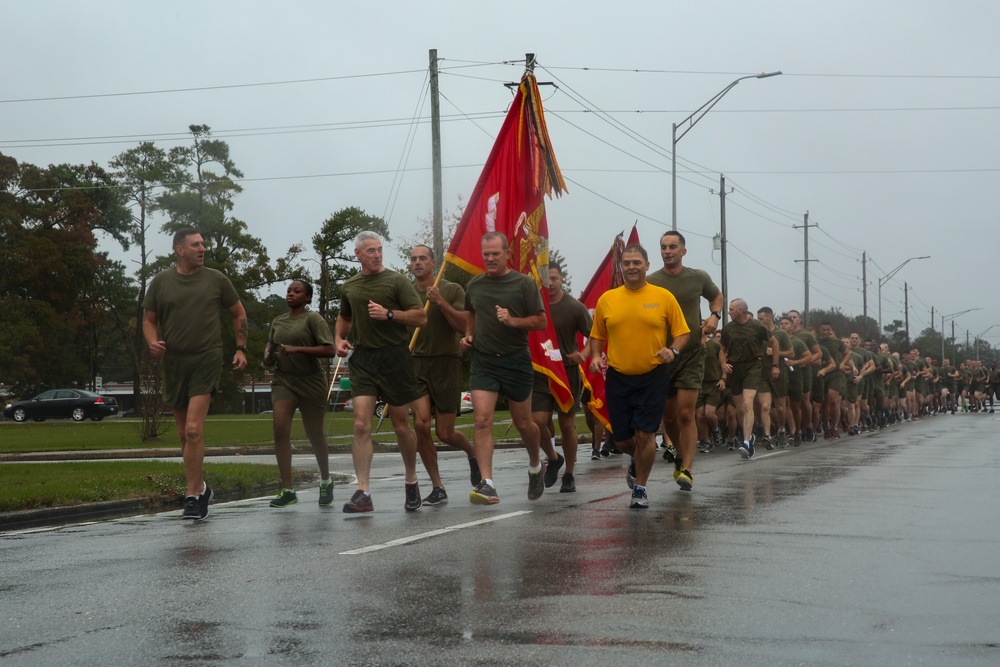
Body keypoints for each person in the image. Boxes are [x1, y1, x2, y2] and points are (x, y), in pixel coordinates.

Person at [143, 228, 248, 521]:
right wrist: (152, 341)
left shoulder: (216, 280)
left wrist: (241, 348)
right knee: (183, 434)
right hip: (174, 362)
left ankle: (191, 497)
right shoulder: (162, 282)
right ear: (179, 250)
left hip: (206, 357)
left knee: (192, 429)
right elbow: (149, 321)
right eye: (195, 245)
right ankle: (201, 486)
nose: (202, 248)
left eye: (203, 244)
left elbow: (239, 313)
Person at [587, 244, 690, 509]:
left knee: (645, 435)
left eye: (636, 262)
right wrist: (596, 356)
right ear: (621, 267)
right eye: (626, 263)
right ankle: (638, 458)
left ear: (646, 264)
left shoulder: (663, 296)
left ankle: (640, 489)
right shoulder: (607, 299)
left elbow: (683, 333)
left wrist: (673, 350)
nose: (631, 267)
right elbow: (597, 335)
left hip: (653, 376)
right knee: (622, 440)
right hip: (619, 377)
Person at [335, 231, 427, 513]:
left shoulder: (396, 281)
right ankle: (363, 491)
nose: (377, 255)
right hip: (363, 359)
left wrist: (389, 314)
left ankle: (411, 480)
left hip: (394, 357)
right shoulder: (349, 286)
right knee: (361, 424)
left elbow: (420, 317)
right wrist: (338, 339)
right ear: (357, 254)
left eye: (379, 250)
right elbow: (345, 317)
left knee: (400, 424)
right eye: (371, 251)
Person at [462, 232, 548, 505]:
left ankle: (536, 465)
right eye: (485, 254)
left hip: (515, 360)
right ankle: (487, 483)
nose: (489, 258)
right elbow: (471, 313)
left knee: (524, 424)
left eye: (495, 254)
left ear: (507, 254)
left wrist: (512, 321)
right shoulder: (474, 285)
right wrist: (468, 335)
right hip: (484, 361)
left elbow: (541, 321)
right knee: (482, 420)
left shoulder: (523, 284)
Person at [646, 231, 723, 491]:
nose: (668, 251)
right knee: (668, 420)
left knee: (685, 413)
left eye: (673, 247)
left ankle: (687, 468)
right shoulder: (651, 282)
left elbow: (716, 295)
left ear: (683, 251)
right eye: (663, 247)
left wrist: (715, 316)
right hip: (662, 356)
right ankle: (680, 454)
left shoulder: (698, 277)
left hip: (691, 353)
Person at [408, 244, 480, 506]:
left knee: (445, 433)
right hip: (416, 365)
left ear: (433, 262)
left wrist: (440, 301)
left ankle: (472, 454)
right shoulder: (405, 292)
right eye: (414, 259)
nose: (418, 263)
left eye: (423, 258)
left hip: (447, 364)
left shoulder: (451, 289)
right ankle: (438, 486)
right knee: (420, 425)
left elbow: (463, 326)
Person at [264, 279, 337, 508]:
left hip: (311, 382)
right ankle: (287, 489)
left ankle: (325, 480)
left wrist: (297, 349)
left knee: (315, 434)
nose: (291, 294)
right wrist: (267, 355)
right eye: (289, 290)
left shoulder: (313, 319)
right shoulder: (278, 321)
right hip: (284, 380)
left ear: (307, 297)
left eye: (297, 291)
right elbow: (271, 344)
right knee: (279, 430)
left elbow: (329, 349)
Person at [530, 261, 593, 493]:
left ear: (561, 279)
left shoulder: (575, 307)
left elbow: (595, 335)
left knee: (567, 425)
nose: (551, 284)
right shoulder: (535, 306)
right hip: (540, 372)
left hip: (567, 372)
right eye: (546, 280)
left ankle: (569, 475)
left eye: (554, 279)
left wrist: (584, 354)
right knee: (537, 422)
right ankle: (554, 458)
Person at [719, 298, 778, 460]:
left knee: (747, 402)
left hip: (753, 366)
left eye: (731, 309)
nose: (729, 312)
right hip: (735, 368)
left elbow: (774, 343)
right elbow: (722, 350)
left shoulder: (757, 326)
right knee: (740, 409)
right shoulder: (728, 329)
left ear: (741, 310)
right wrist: (723, 364)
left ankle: (746, 441)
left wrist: (775, 365)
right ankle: (748, 435)